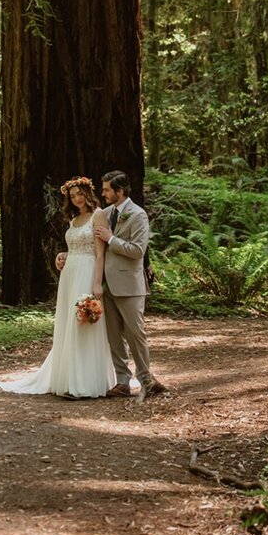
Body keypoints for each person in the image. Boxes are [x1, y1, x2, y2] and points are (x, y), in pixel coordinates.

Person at [0, 176, 114, 399]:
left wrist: (97, 283)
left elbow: (99, 253)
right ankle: (68, 377)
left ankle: (84, 383)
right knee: (70, 323)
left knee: (84, 321)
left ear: (88, 192)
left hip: (87, 272)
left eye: (80, 194)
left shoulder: (99, 215)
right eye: (72, 196)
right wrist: (64, 255)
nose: (77, 199)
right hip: (70, 274)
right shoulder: (75, 219)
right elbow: (77, 247)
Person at [94, 170, 166, 399]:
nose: (102, 193)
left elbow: (137, 251)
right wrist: (67, 255)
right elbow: (92, 248)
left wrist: (111, 239)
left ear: (120, 191)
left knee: (135, 333)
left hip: (129, 284)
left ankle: (146, 379)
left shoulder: (138, 215)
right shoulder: (104, 214)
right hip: (106, 285)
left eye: (106, 189)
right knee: (113, 335)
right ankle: (122, 381)